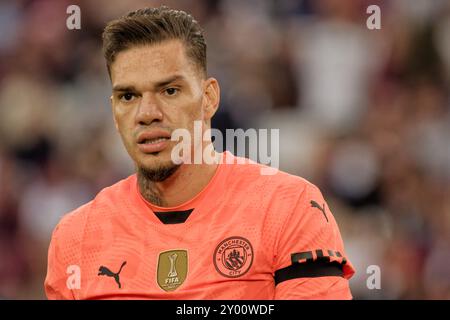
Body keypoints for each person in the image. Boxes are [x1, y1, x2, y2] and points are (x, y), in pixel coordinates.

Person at [44, 6, 355, 300]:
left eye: (169, 91)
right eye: (128, 96)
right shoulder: (76, 237)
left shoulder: (288, 208)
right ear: (114, 112)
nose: (147, 113)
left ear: (209, 98)